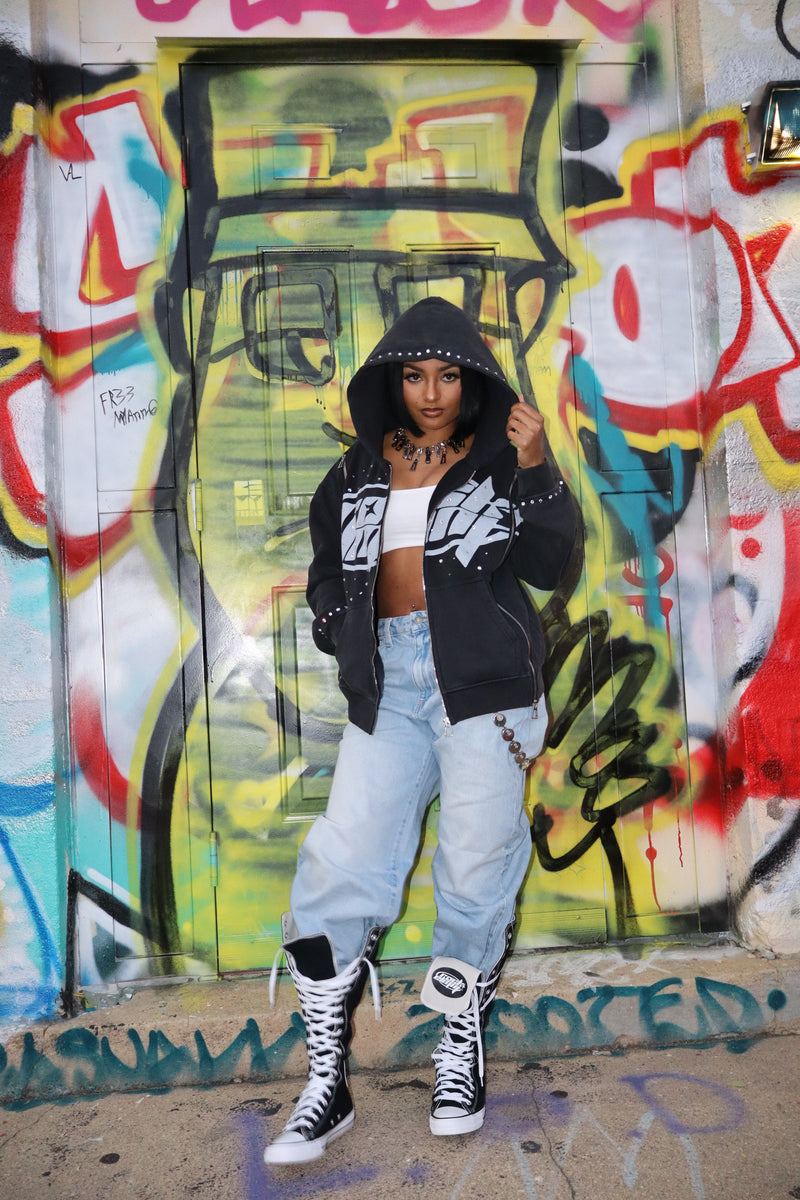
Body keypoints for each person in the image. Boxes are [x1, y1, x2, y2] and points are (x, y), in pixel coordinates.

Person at [264, 296, 577, 1165]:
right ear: (392, 382)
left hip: (483, 687)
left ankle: (458, 1054)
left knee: (475, 866)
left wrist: (538, 465)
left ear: (470, 383)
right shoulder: (359, 469)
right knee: (340, 862)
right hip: (389, 688)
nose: (431, 392)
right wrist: (339, 625)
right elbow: (328, 563)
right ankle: (326, 1084)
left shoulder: (499, 460)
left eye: (446, 375)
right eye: (414, 375)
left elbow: (550, 564)